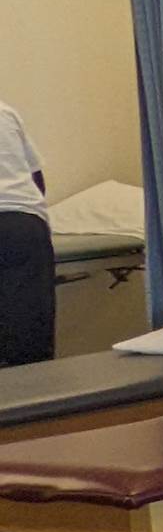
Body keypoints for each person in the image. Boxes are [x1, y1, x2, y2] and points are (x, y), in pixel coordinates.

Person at [0, 98, 49, 365]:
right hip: (22, 225)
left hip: (19, 225)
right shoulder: (5, 111)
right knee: (29, 334)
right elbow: (37, 179)